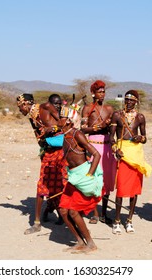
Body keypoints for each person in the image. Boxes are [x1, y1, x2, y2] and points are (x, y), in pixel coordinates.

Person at [17, 93, 67, 234]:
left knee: (59, 184)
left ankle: (59, 216)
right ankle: (38, 222)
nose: (20, 110)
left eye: (20, 107)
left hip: (60, 151)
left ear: (26, 103)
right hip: (48, 151)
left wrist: (54, 129)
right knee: (43, 185)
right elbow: (39, 136)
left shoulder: (44, 107)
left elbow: (64, 123)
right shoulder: (32, 117)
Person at [58, 115, 103, 254]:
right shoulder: (64, 136)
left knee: (73, 211)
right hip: (73, 177)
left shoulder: (77, 134)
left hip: (83, 175)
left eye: (60, 117)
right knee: (63, 211)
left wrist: (89, 174)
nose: (57, 119)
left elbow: (96, 154)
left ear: (67, 121)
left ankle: (90, 243)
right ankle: (79, 241)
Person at [110, 90, 152, 234]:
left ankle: (129, 220)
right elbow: (111, 138)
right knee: (121, 188)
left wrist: (139, 138)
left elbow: (145, 138)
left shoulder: (140, 117)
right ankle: (116, 221)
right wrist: (116, 149)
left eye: (131, 100)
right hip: (123, 153)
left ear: (136, 102)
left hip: (136, 155)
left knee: (134, 190)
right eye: (126, 100)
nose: (128, 102)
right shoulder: (117, 115)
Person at [81, 80, 116, 224]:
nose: (102, 94)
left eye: (103, 91)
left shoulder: (109, 108)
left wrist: (109, 126)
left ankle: (104, 213)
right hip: (93, 146)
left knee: (107, 180)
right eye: (99, 92)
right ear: (93, 93)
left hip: (107, 146)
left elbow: (114, 129)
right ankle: (94, 213)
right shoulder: (87, 108)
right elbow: (83, 129)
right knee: (95, 179)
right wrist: (97, 127)